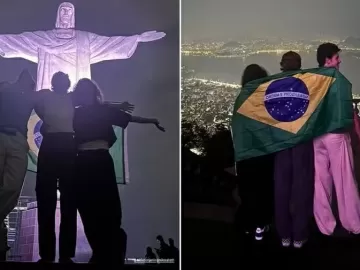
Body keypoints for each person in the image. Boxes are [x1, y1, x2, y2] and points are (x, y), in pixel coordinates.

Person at [71, 78, 165, 265]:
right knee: (91, 207)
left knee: (104, 206)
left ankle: (108, 251)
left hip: (94, 162)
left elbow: (129, 118)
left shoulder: (84, 112)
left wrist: (152, 120)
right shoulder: (79, 112)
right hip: (87, 162)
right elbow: (122, 115)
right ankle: (102, 251)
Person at [313, 43, 360, 235]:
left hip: (317, 137)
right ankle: (353, 224)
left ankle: (325, 226)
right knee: (345, 180)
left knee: (320, 181)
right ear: (327, 59)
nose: (339, 60)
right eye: (336, 57)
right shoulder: (338, 81)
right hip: (335, 135)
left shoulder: (312, 79)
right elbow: (345, 111)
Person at [34, 72, 77, 263]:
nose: (61, 83)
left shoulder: (72, 98)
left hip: (67, 144)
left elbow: (97, 103)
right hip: (52, 144)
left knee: (69, 201)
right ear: (53, 84)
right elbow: (30, 99)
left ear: (67, 84)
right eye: (58, 81)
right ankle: (47, 255)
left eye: (64, 81)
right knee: (45, 199)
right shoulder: (45, 96)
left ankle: (66, 255)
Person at [273, 51, 315, 248]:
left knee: (281, 189)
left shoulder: (272, 85)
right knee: (301, 188)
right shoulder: (307, 83)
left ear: (282, 65)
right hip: (301, 140)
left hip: (281, 142)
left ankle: (284, 235)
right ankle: (299, 235)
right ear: (299, 65)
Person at [234, 64, 273, 241]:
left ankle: (247, 228)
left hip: (244, 156)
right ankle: (259, 227)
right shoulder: (260, 99)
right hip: (261, 155)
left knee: (248, 192)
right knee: (262, 191)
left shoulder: (242, 97)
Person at [0, 70, 36, 259]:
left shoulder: (33, 96)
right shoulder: (4, 88)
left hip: (18, 139)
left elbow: (66, 99)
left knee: (12, 187)